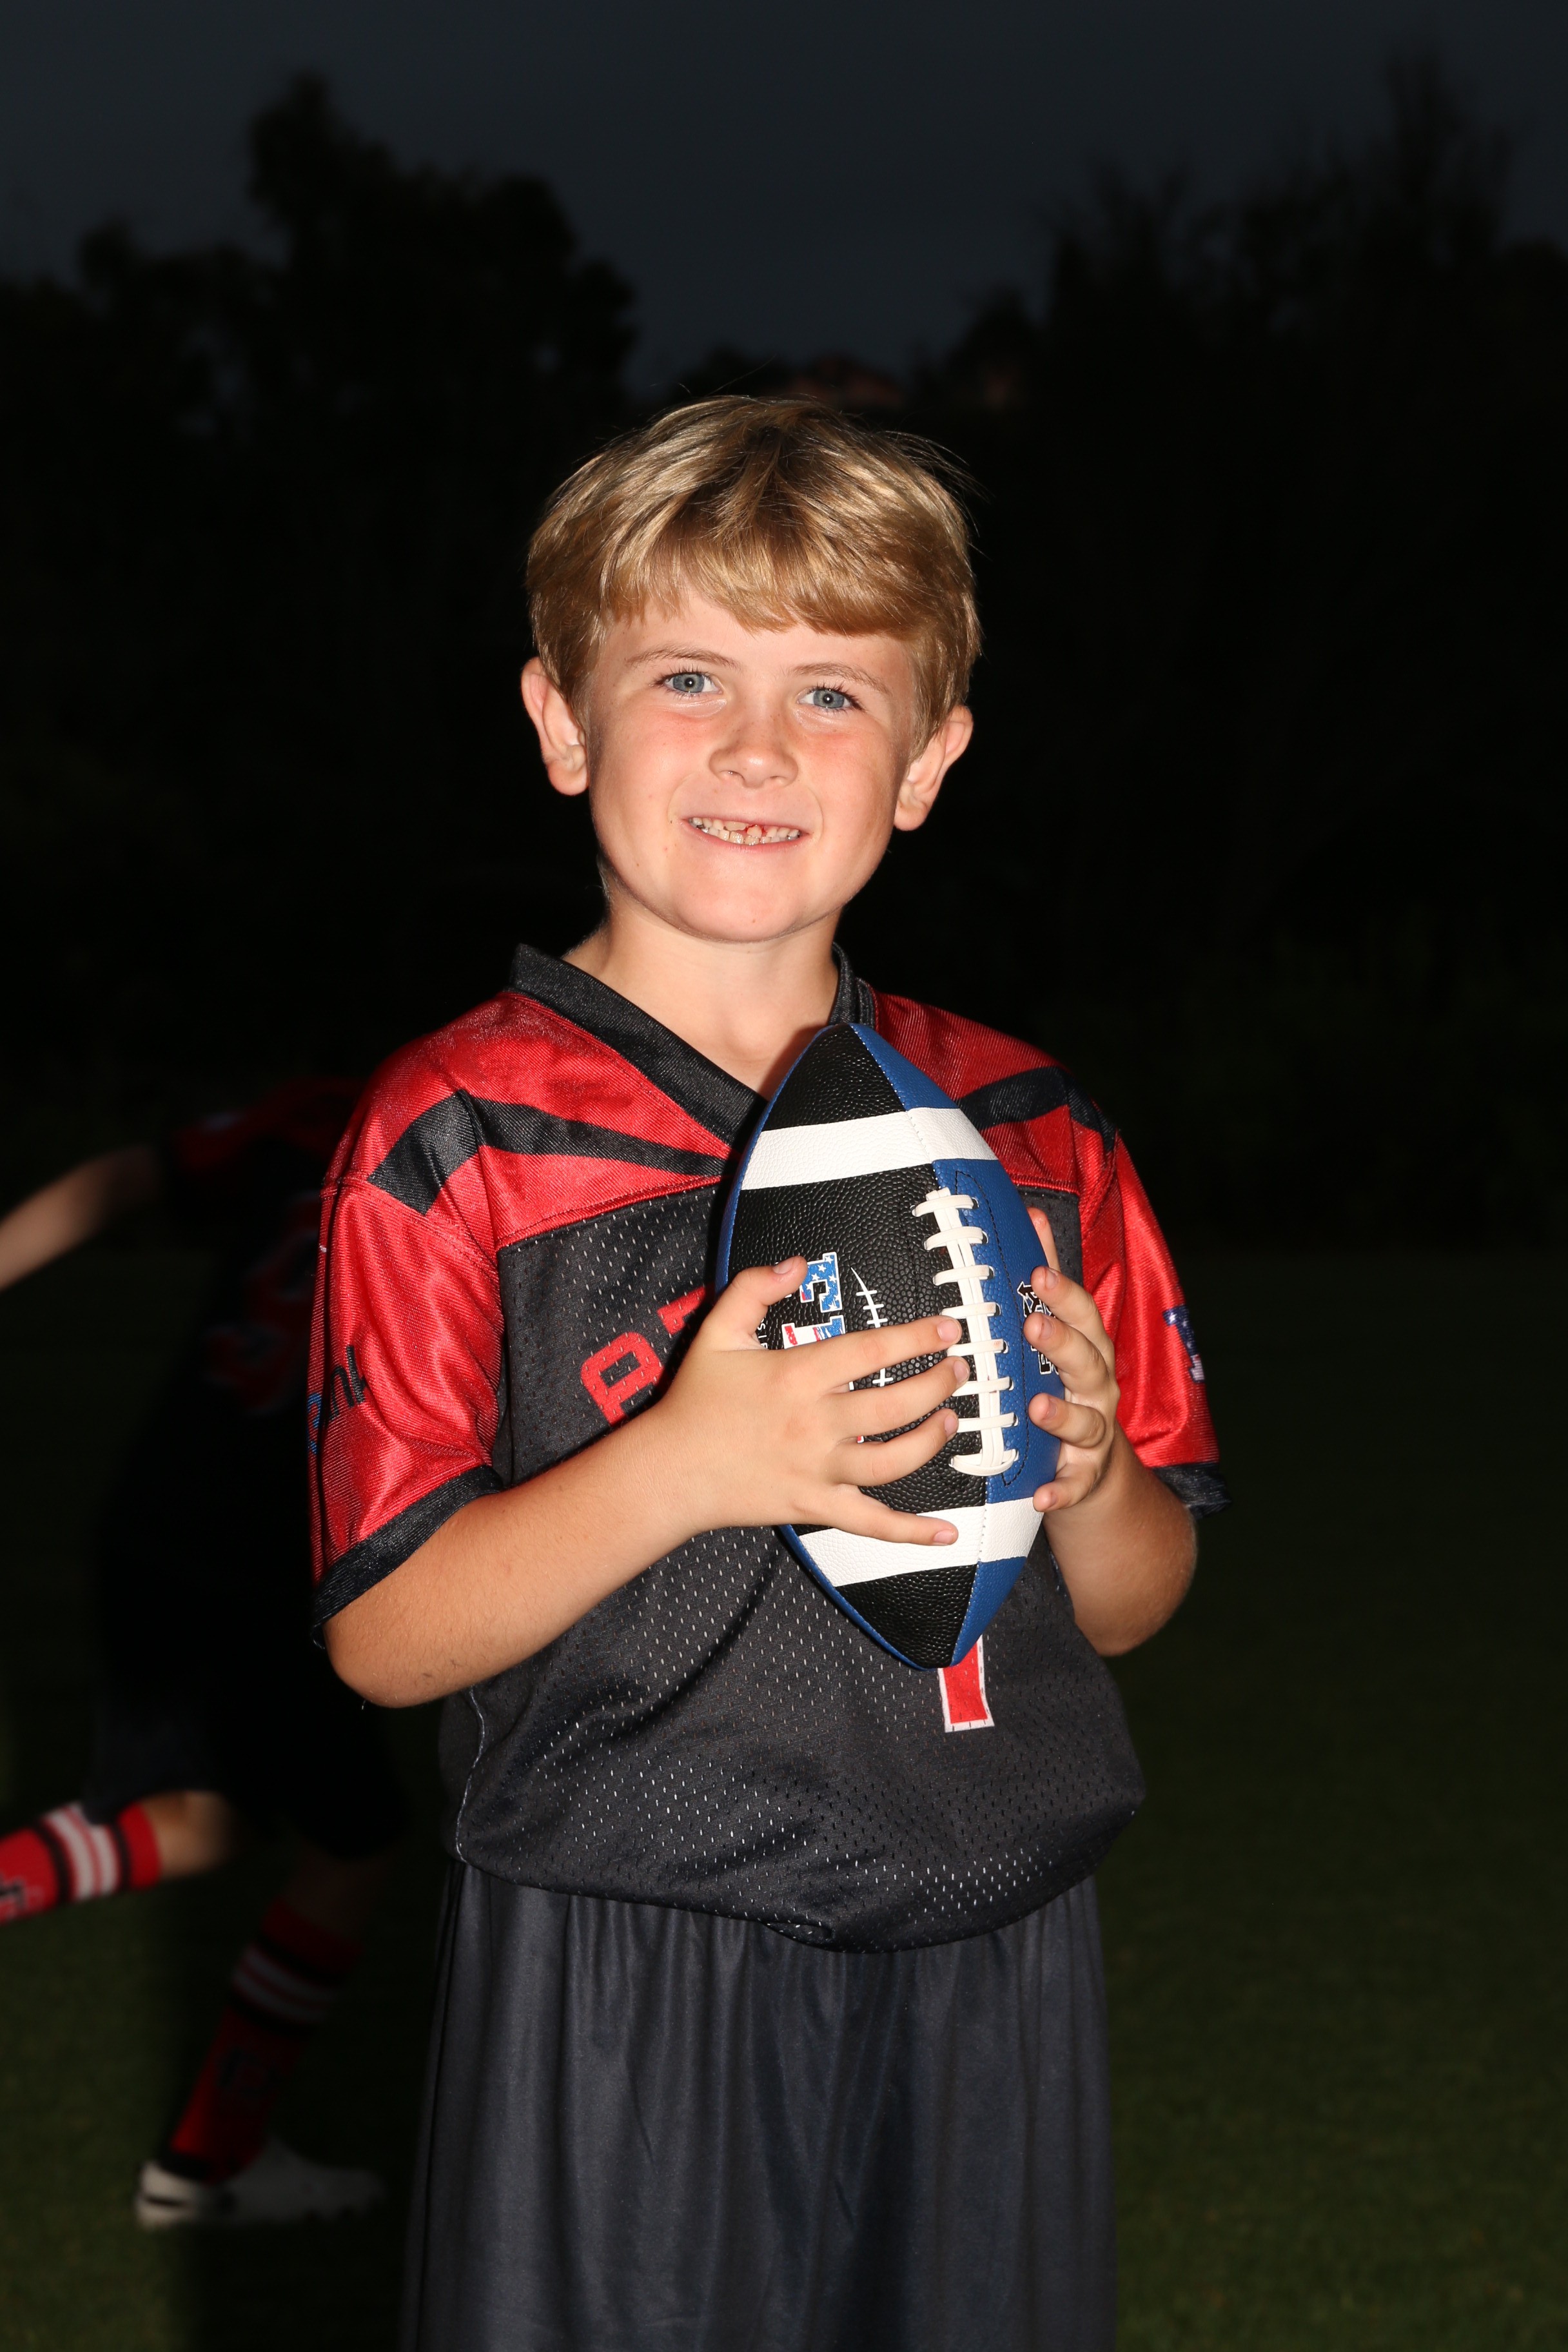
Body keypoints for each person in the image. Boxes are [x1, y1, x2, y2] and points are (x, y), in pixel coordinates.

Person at [312, 398, 1229, 2349]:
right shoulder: (460, 1134)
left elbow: (1136, 1604)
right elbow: (386, 1637)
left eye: (831, 693)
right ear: (560, 721)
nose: (755, 745)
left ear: (930, 760)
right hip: (626, 1944)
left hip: (997, 1931)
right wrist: (692, 1462)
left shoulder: (1029, 1126)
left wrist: (1092, 1476)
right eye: (687, 677)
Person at [0, 1079, 409, 2226]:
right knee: (354, 1847)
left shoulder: (328, 1107)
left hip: (157, 1512)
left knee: (201, 1819)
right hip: (272, 1546)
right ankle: (206, 2167)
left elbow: (126, 1176)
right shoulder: (491, 1134)